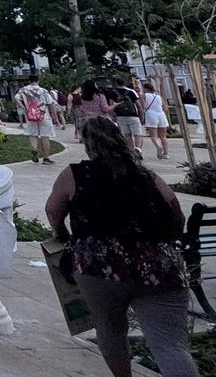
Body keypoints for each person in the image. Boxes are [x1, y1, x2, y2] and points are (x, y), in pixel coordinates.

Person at [45, 117, 196, 377]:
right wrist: (164, 242)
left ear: (86, 143)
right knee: (171, 345)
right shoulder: (145, 174)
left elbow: (53, 211)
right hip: (158, 266)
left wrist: (62, 234)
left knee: (111, 330)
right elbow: (175, 210)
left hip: (100, 267)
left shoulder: (76, 174)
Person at [15, 75, 57, 164]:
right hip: (43, 114)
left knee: (33, 134)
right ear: (38, 81)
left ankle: (34, 150)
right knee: (45, 136)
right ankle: (46, 158)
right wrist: (55, 118)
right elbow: (50, 104)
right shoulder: (43, 90)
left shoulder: (23, 90)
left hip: (30, 114)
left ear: (29, 81)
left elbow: (16, 98)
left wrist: (24, 107)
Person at [109, 80, 146, 156]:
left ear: (116, 83)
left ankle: (131, 151)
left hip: (120, 116)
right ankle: (138, 148)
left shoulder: (113, 92)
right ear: (124, 83)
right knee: (137, 134)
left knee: (127, 135)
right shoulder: (131, 92)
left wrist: (112, 117)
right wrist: (141, 116)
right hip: (133, 116)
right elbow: (139, 106)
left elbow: (111, 105)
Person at [141, 82, 171, 160]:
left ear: (146, 89)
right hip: (161, 115)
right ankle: (166, 153)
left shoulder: (144, 96)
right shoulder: (159, 96)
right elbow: (165, 108)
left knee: (154, 135)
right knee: (163, 136)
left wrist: (142, 115)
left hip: (151, 115)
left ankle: (158, 146)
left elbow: (143, 107)